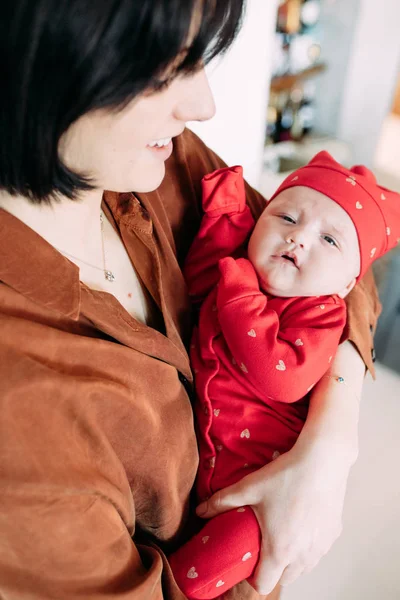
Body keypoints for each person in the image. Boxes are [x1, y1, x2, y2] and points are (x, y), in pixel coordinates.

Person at [0, 1, 381, 599]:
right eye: (160, 72)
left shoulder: (159, 163)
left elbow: (345, 259)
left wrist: (330, 447)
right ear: (38, 64)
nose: (203, 105)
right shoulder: (21, 423)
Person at [168, 153, 400, 598]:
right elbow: (197, 285)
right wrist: (223, 215)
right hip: (207, 473)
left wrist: (240, 297)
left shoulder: (321, 314)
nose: (298, 237)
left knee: (193, 577)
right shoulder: (244, 269)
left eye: (329, 240)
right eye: (286, 216)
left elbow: (284, 377)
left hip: (263, 493)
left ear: (347, 285)